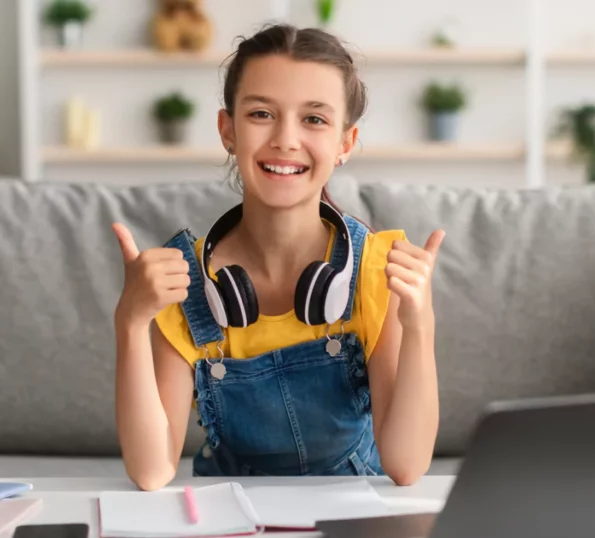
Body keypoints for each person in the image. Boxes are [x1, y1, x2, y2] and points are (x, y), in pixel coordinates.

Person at [111, 23, 444, 491]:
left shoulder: (375, 269)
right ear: (228, 130)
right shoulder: (182, 280)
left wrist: (420, 323)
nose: (286, 139)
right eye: (262, 113)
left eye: (314, 119)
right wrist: (129, 321)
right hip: (233, 512)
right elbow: (151, 472)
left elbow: (406, 466)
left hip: (346, 512)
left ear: (345, 143)